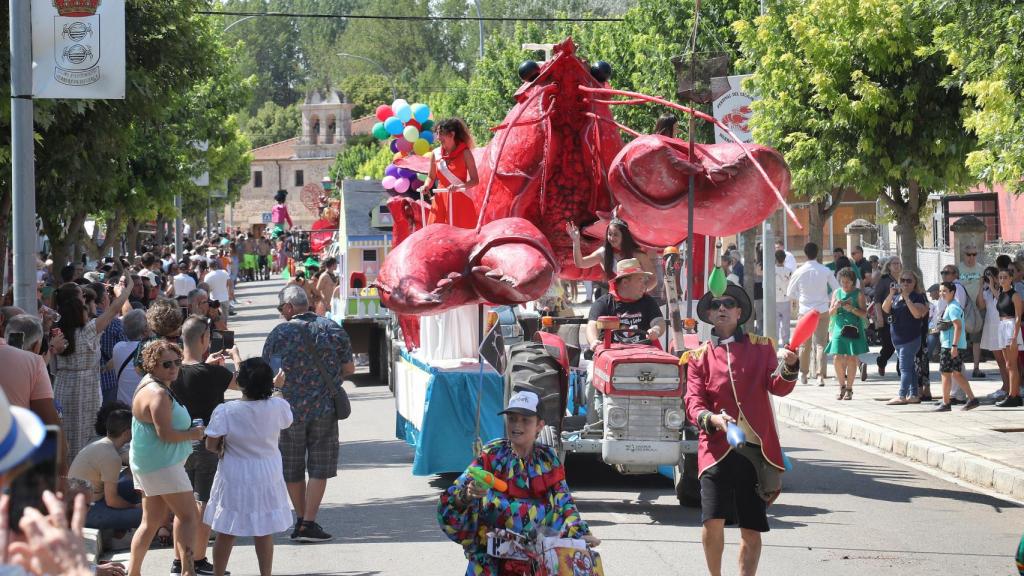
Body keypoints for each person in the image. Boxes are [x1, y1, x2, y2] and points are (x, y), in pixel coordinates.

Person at [683, 282, 799, 576]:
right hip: (716, 449)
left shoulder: (762, 347)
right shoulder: (697, 358)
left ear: (739, 312)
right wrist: (714, 420)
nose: (721, 308)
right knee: (712, 520)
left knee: (751, 526)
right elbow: (693, 403)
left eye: (728, 303)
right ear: (709, 315)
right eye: (715, 305)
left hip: (754, 450)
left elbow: (778, 387)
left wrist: (790, 366)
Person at [437, 389, 598, 575]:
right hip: (491, 565)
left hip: (539, 563)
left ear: (540, 425)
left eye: (525, 420)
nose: (516, 425)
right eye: (512, 418)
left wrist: (580, 534)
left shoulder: (549, 460)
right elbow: (455, 500)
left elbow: (564, 502)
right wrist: (466, 495)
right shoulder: (491, 455)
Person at [262, 285, 354, 542]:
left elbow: (269, 373)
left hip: (288, 411)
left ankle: (301, 520)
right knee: (319, 467)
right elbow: (349, 368)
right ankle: (309, 523)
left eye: (282, 309)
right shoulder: (331, 328)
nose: (281, 313)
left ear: (290, 308)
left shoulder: (278, 333)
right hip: (324, 409)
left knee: (292, 467)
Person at [203, 359, 292, 576]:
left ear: (241, 382)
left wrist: (222, 448)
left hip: (235, 471)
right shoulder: (277, 406)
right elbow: (286, 420)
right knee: (263, 530)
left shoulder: (226, 410)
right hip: (267, 471)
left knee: (226, 530)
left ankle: (218, 573)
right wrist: (278, 388)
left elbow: (211, 444)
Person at [170, 316, 242, 575]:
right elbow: (246, 385)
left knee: (182, 507)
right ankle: (198, 560)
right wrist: (236, 358)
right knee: (203, 506)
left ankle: (180, 561)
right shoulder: (214, 373)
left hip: (176, 445)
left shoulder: (171, 371)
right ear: (204, 340)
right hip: (206, 445)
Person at [127, 340, 204, 576]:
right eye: (166, 364)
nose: (173, 367)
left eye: (177, 362)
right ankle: (188, 571)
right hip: (162, 465)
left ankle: (134, 572)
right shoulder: (158, 393)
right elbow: (166, 434)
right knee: (190, 516)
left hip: (150, 463)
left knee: (151, 521)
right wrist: (194, 434)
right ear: (152, 365)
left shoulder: (153, 384)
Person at [54, 275, 133, 460]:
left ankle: (67, 475)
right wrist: (126, 290)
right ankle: (82, 477)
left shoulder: (56, 328)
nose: (85, 297)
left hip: (63, 385)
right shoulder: (88, 329)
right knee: (86, 435)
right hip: (86, 387)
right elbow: (114, 309)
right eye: (82, 295)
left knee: (66, 433)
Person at [68, 405, 141, 532]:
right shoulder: (111, 457)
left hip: (84, 504)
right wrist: (135, 506)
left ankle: (118, 531)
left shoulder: (101, 444)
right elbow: (112, 501)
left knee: (134, 481)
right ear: (127, 432)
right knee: (149, 516)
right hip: (87, 512)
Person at [786, 242, 839, 386]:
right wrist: (828, 299)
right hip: (822, 310)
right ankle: (820, 375)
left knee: (804, 344)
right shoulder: (825, 270)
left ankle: (803, 374)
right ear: (818, 252)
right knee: (821, 343)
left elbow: (790, 292)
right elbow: (836, 288)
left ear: (805, 253)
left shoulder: (799, 271)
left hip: (805, 311)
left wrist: (801, 297)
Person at [585, 259, 665, 346]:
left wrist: (656, 330)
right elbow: (592, 325)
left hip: (644, 354)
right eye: (640, 280)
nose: (644, 285)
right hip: (613, 354)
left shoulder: (648, 301)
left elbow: (658, 321)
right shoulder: (603, 303)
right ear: (625, 282)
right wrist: (593, 341)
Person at [417, 118, 479, 229]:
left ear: (452, 134)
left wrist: (459, 186)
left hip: (461, 200)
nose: (438, 138)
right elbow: (431, 177)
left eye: (441, 134)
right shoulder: (435, 154)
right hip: (440, 198)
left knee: (461, 236)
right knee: (435, 234)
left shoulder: (465, 153)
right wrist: (426, 185)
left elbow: (475, 180)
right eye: (437, 134)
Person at [567, 217, 656, 293]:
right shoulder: (603, 253)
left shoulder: (638, 255)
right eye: (609, 234)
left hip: (638, 298)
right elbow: (581, 263)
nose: (612, 238)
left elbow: (653, 279)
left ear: (624, 236)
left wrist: (641, 291)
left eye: (616, 234)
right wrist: (576, 241)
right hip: (614, 299)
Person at [881, 270, 929, 405]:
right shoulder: (896, 297)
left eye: (909, 281)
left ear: (915, 283)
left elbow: (917, 314)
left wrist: (907, 298)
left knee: (904, 368)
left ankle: (902, 395)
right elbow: (885, 309)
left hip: (910, 339)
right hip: (898, 339)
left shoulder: (917, 297)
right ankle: (913, 394)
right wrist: (891, 294)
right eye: (903, 280)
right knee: (910, 367)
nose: (905, 283)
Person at [934, 282, 980, 411]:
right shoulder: (953, 305)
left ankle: (946, 403)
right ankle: (972, 399)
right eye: (940, 291)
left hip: (950, 346)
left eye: (945, 291)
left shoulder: (953, 307)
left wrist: (954, 346)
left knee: (946, 373)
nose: (942, 294)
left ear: (952, 292)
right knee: (956, 373)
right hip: (953, 345)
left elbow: (958, 326)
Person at [825, 267, 868, 400]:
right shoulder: (836, 293)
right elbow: (830, 313)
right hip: (839, 327)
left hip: (853, 328)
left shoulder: (858, 293)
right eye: (842, 282)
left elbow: (864, 313)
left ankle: (849, 388)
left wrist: (852, 309)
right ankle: (841, 386)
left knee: (851, 357)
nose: (845, 285)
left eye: (848, 282)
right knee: (837, 357)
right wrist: (836, 306)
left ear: (853, 281)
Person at [992, 268, 1023, 407]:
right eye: (1000, 277)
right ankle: (1013, 393)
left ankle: (1013, 395)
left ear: (1011, 278)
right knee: (1008, 364)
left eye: (1005, 277)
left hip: (1011, 327)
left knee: (1012, 364)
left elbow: (1018, 317)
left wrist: (1014, 337)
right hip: (1002, 326)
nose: (1002, 280)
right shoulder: (1001, 294)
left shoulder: (1014, 295)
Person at [977, 267, 1009, 399]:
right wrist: (981, 286)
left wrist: (992, 285)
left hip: (1002, 327)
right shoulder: (987, 291)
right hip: (991, 327)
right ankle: (1005, 386)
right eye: (987, 276)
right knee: (1000, 361)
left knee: (1007, 361)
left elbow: (1001, 300)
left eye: (992, 276)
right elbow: (981, 306)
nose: (990, 279)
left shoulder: (1003, 289)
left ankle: (1011, 387)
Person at [957, 244, 986, 378]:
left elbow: (983, 288)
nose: (971, 257)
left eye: (974, 254)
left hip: (976, 306)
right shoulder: (958, 268)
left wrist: (981, 305)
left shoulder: (981, 268)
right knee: (960, 338)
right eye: (969, 254)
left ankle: (976, 367)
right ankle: (958, 366)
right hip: (962, 307)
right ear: (964, 254)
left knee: (976, 338)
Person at [112, 310, 150, 406]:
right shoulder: (149, 349)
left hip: (122, 406)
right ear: (145, 330)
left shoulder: (118, 347)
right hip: (143, 406)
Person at [872, 257, 902, 377]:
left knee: (902, 345)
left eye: (898, 263)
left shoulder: (905, 279)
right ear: (888, 266)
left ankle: (901, 369)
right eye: (894, 263)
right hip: (887, 318)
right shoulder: (884, 280)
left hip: (902, 318)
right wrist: (879, 317)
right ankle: (881, 361)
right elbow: (877, 300)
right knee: (888, 347)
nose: (896, 266)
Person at [773, 250, 792, 344]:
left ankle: (775, 343)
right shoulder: (789, 271)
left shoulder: (770, 271)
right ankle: (786, 342)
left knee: (775, 324)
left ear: (775, 258)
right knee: (786, 323)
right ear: (784, 259)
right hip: (786, 299)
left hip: (774, 300)